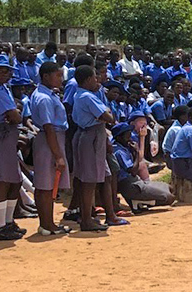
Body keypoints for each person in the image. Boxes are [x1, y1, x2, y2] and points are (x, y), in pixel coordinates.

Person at [70, 65, 125, 232]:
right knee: (89, 180)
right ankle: (86, 219)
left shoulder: (82, 94)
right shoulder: (87, 96)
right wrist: (106, 113)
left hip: (93, 135)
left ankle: (110, 215)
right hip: (91, 136)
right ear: (88, 80)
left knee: (106, 176)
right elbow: (109, 117)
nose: (98, 80)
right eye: (95, 77)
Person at [29, 61, 72, 236]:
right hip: (50, 140)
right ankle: (48, 225)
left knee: (45, 185)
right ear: (46, 76)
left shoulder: (46, 94)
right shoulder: (44, 98)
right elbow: (49, 127)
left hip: (51, 139)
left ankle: (46, 223)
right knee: (46, 186)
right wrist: (58, 156)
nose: (61, 79)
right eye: (57, 75)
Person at [0, 54, 26, 240]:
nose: (4, 74)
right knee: (2, 181)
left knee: (15, 180)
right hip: (0, 136)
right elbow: (14, 116)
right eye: (0, 71)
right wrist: (16, 114)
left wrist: (16, 113)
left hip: (7, 136)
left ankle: (7, 222)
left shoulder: (3, 88)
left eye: (6, 71)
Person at [110, 123, 175, 210]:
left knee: (169, 188)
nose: (130, 136)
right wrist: (137, 152)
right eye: (127, 134)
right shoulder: (118, 151)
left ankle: (139, 201)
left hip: (136, 181)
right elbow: (133, 171)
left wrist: (134, 151)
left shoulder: (125, 147)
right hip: (130, 185)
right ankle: (139, 202)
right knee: (169, 198)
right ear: (119, 138)